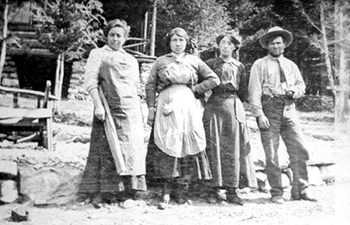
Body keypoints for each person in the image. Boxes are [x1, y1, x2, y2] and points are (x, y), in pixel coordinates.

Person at [145, 27, 220, 209]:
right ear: (169, 42)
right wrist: (151, 108)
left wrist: (194, 90)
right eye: (174, 40)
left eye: (181, 40)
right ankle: (165, 192)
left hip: (188, 106)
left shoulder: (194, 60)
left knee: (187, 146)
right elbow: (150, 85)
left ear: (187, 42)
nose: (178, 44)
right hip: (167, 106)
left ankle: (181, 192)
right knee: (168, 145)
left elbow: (214, 79)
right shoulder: (161, 61)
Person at [79, 19, 147, 207]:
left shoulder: (132, 60)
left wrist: (141, 110)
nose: (115, 39)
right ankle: (102, 193)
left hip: (130, 111)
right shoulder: (98, 54)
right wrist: (98, 105)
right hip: (107, 109)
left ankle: (128, 192)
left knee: (130, 150)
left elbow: (136, 87)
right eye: (112, 35)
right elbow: (90, 81)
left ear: (125, 38)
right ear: (106, 36)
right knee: (105, 150)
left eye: (119, 36)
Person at [248, 26, 317, 204]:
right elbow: (254, 91)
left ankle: (301, 189)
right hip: (269, 109)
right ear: (267, 46)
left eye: (279, 43)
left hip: (289, 109)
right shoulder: (260, 64)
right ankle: (276, 191)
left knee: (299, 149)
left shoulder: (291, 65)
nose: (276, 46)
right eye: (272, 43)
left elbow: (302, 86)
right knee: (271, 153)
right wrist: (259, 114)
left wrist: (295, 91)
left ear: (284, 44)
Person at [203, 33, 257, 205]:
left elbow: (243, 92)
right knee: (213, 146)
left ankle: (232, 190)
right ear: (218, 46)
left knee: (233, 147)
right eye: (222, 43)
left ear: (234, 47)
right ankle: (213, 189)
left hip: (234, 105)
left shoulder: (240, 66)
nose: (225, 46)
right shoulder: (209, 64)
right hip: (214, 106)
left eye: (229, 43)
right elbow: (201, 86)